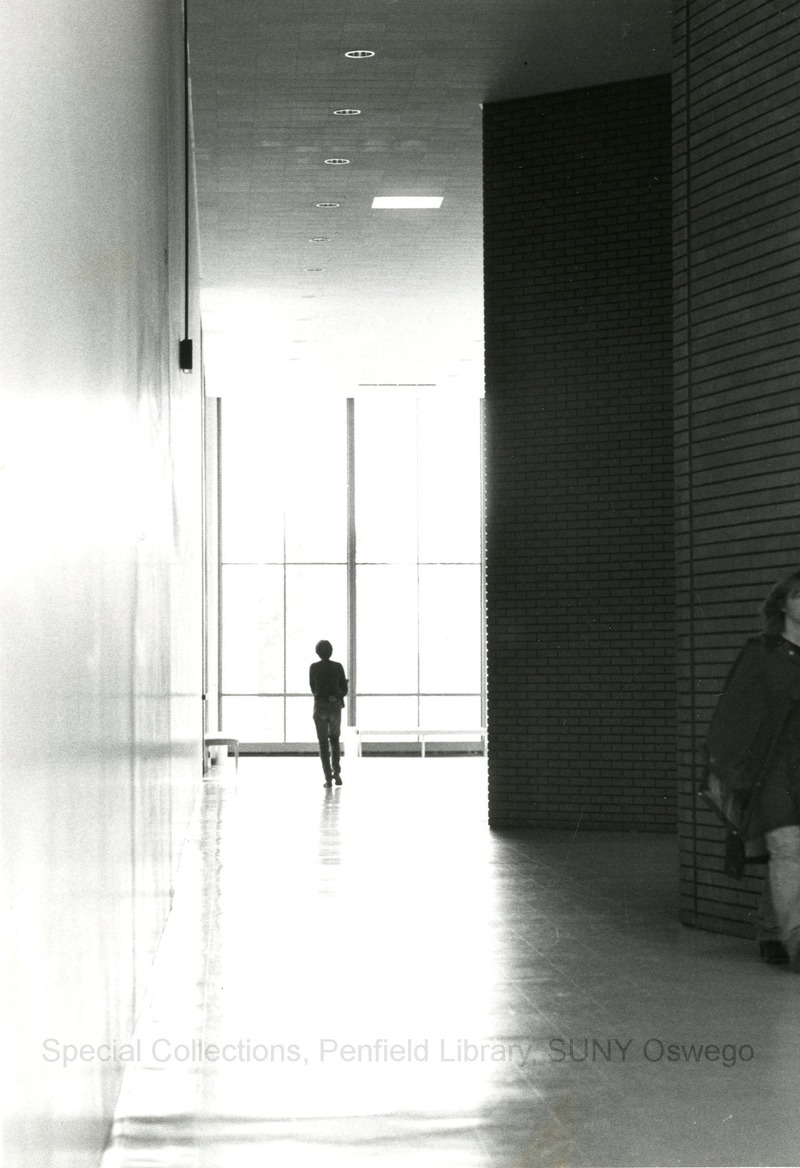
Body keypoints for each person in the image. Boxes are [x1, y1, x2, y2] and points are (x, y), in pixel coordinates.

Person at [707, 568, 800, 970]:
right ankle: (797, 941)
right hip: (776, 767)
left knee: (790, 854)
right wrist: (733, 771)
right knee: (788, 848)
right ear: (783, 603)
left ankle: (770, 928)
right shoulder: (762, 652)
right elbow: (734, 714)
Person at [309, 640, 348, 787]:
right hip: (334, 706)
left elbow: (313, 688)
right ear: (331, 651)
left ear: (317, 652)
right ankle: (336, 772)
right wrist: (335, 694)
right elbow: (344, 689)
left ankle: (327, 778)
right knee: (335, 740)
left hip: (319, 706)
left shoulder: (313, 667)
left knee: (323, 743)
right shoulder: (337, 667)